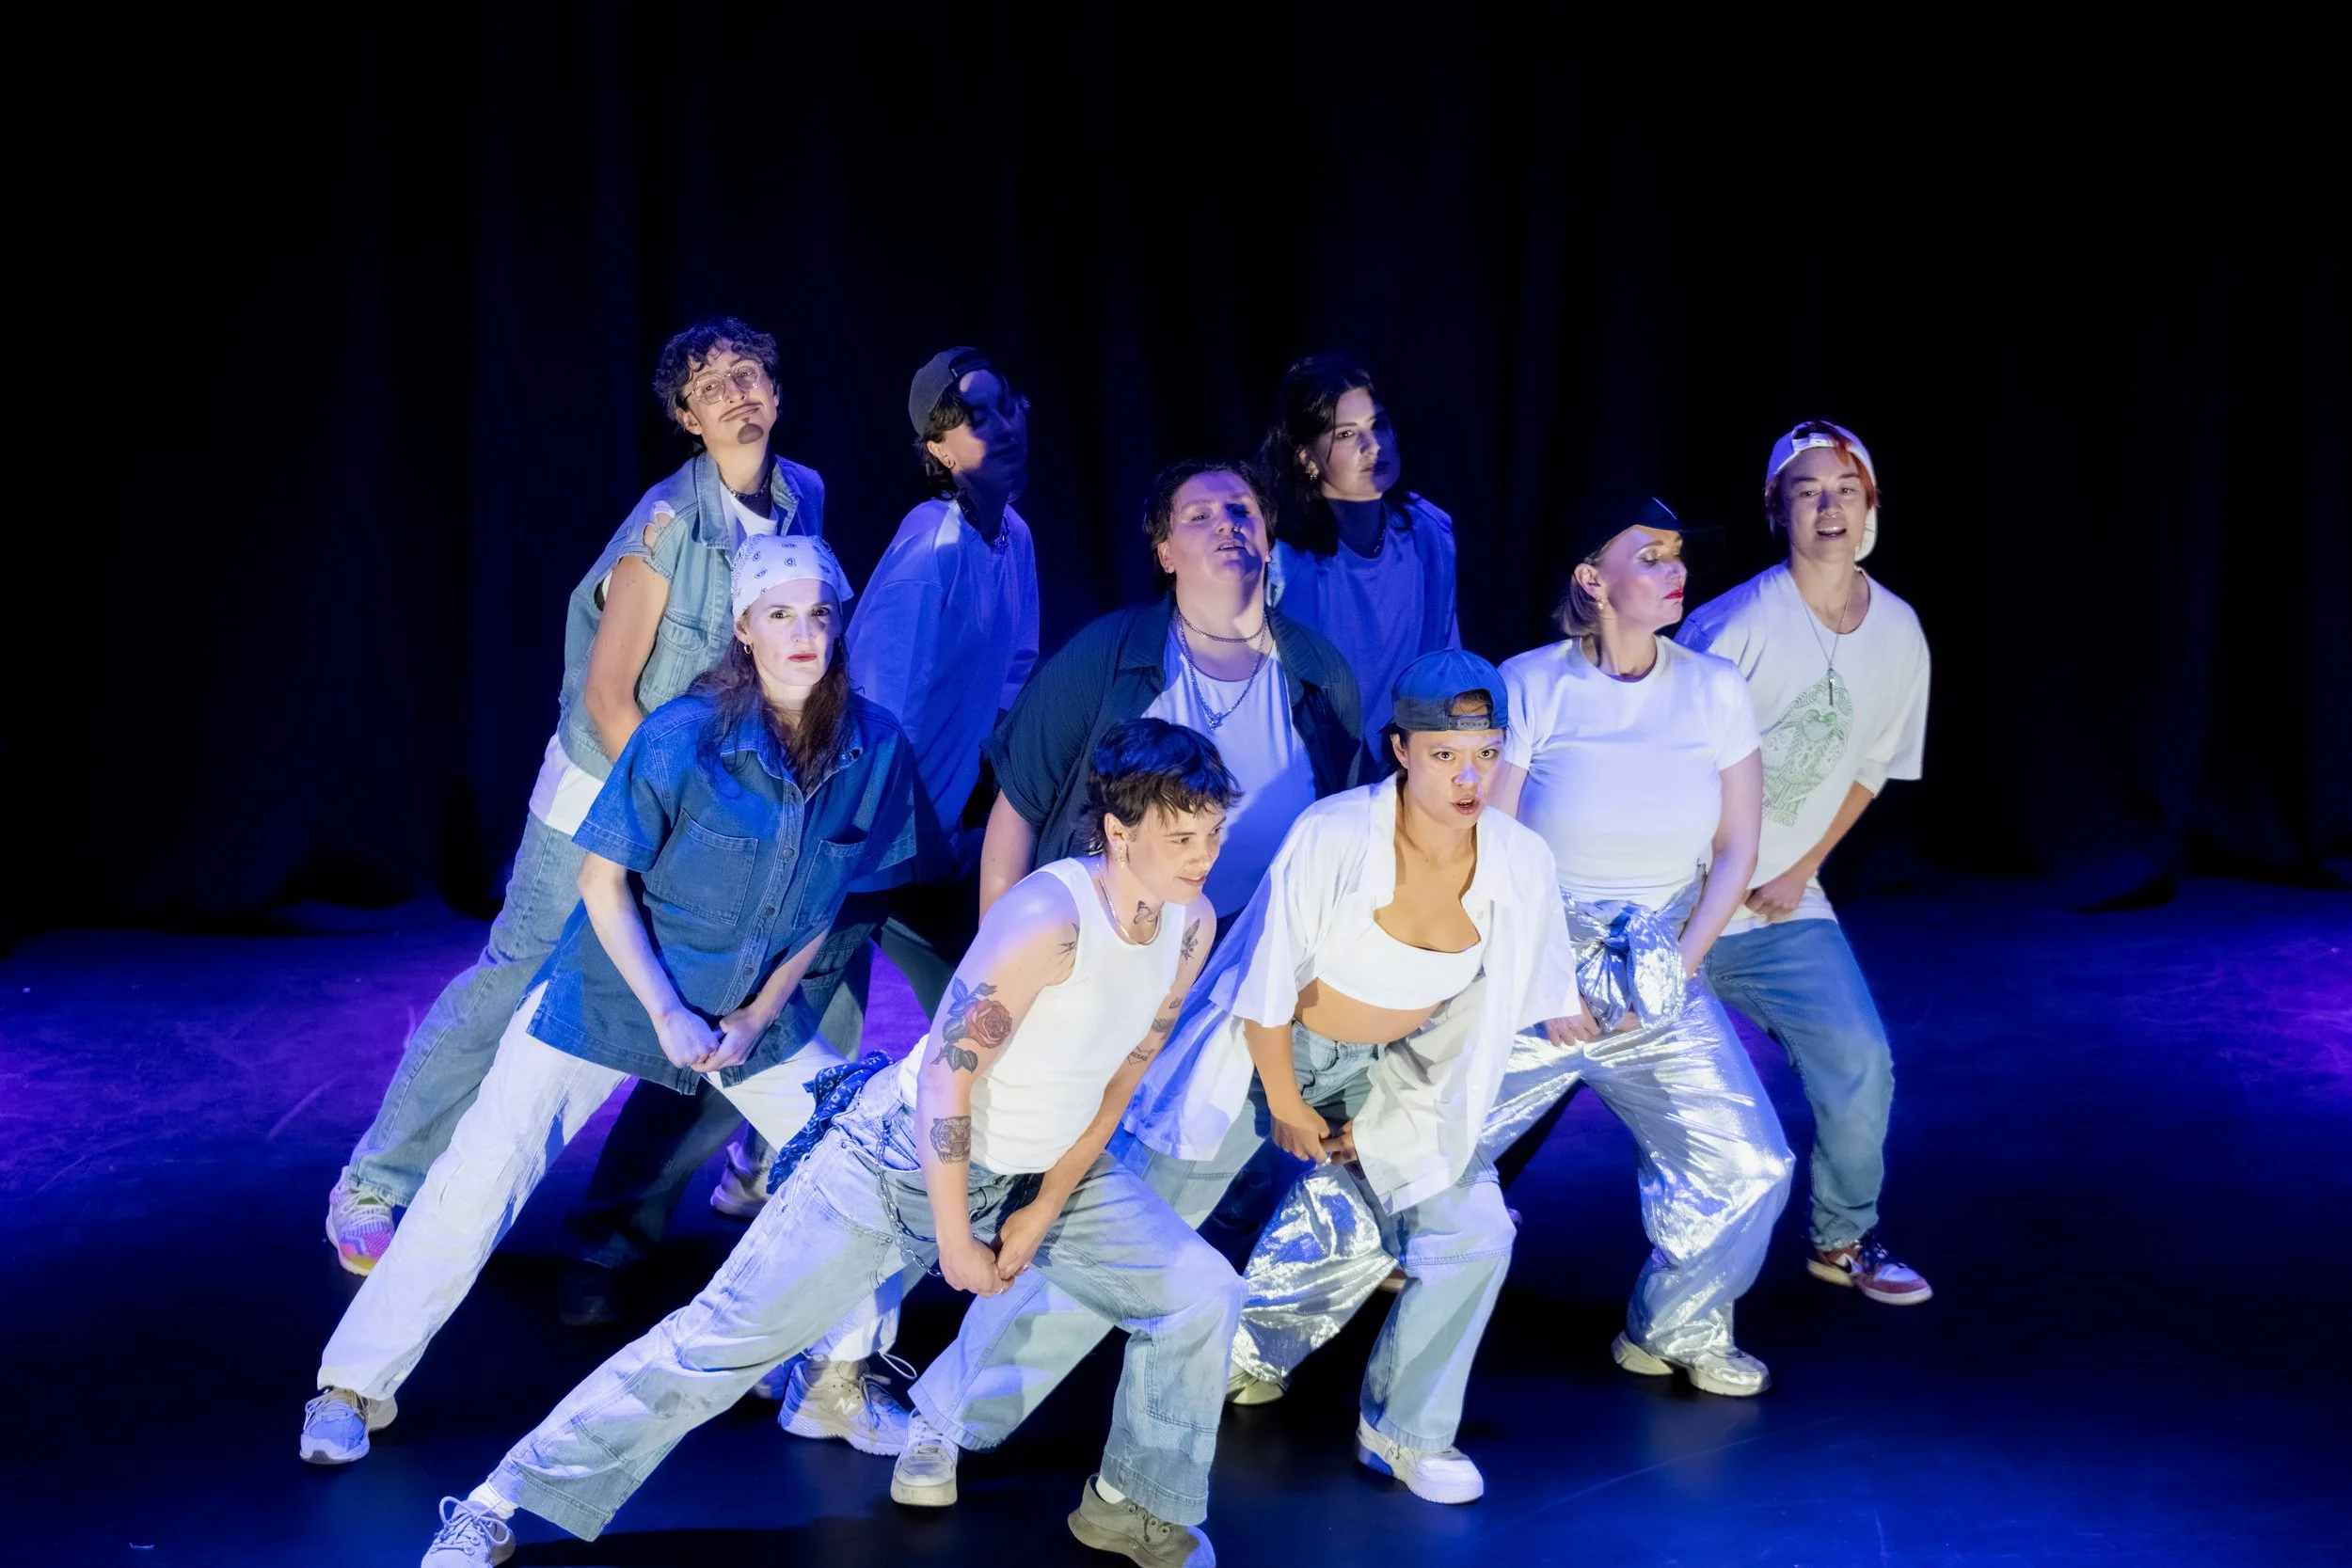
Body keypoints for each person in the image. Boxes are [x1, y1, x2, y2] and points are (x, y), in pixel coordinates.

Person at [414, 721, 1240, 1568]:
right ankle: (498, 1499)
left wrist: (1045, 1208)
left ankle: (1132, 1509)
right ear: (1118, 829)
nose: (1204, 854)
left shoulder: (1191, 924)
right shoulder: (1047, 918)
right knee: (719, 1343)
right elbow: (944, 1081)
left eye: (1214, 831)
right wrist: (956, 1237)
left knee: (1201, 1290)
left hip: (1041, 1169)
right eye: (1182, 836)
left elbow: (1123, 1074)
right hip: (895, 1165)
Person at [895, 653, 1580, 1509]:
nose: (1469, 774)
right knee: (1119, 1235)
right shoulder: (1337, 831)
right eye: (1445, 752)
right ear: (1402, 749)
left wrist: (1398, 1115)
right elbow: (1266, 980)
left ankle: (1407, 1432)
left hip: (1385, 1075)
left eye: (1486, 751)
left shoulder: (1520, 861)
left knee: (1477, 1228)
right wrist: (1288, 1103)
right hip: (1264, 1047)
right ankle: (948, 1418)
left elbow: (1488, 1008)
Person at [299, 535, 919, 1466]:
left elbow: (821, 910)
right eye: (779, 614)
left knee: (873, 1157)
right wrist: (669, 1011)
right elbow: (602, 882)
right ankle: (352, 1384)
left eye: (819, 613)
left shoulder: (874, 746)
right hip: (612, 992)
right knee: (479, 1176)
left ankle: (834, 1379)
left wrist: (754, 1018)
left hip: (746, 1012)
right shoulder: (683, 733)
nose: (803, 632)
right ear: (744, 630)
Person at [324, 317, 824, 1275]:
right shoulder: (664, 527)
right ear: (686, 417)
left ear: (775, 390)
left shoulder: (806, 496)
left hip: (701, 799)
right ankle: (375, 1180)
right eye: (710, 386)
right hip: (603, 789)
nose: (735, 394)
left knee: (735, 979)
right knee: (513, 978)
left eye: (749, 374)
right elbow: (605, 694)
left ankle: (765, 1171)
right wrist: (685, 798)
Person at [1677, 420, 1933, 1304]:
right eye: (1807, 490)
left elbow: (1870, 765)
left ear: (1869, 504)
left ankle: (1843, 1238)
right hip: (1678, 901)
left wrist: (1800, 868)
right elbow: (1669, 763)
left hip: (1782, 900)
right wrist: (1692, 901)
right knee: (1571, 1065)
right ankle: (1434, 1222)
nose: (1828, 506)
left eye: (1844, 488)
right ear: (1777, 509)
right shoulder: (1735, 623)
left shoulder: (1898, 630)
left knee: (1862, 1060)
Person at [976, 457, 1364, 929]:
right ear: (1166, 555)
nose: (1226, 522)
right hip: (1112, 968)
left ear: (1268, 544)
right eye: (1199, 516)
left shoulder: (1320, 672)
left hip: (1266, 973)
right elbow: (1018, 811)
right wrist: (998, 963)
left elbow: (1348, 836)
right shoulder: (1107, 654)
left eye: (1242, 511)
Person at [1257, 355, 1460, 748]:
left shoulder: (1428, 531)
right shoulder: (1280, 554)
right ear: (1307, 459)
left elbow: (1443, 661)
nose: (1374, 446)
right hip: (1303, 766)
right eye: (1346, 435)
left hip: (1401, 765)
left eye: (1378, 425)